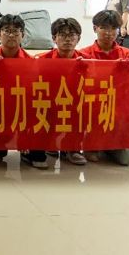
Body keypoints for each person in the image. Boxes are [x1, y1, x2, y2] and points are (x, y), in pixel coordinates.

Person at [79, 10, 129, 165]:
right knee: (92, 157)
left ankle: (109, 144)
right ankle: (92, 142)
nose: (109, 32)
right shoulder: (83, 54)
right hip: (91, 109)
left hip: (118, 110)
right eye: (104, 28)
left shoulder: (127, 55)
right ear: (95, 28)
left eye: (113, 28)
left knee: (127, 159)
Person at [0, 15, 42, 167]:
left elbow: (33, 93)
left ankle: (27, 141)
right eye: (7, 31)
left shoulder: (30, 61)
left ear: (23, 35)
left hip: (20, 107)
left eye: (16, 31)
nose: (11, 35)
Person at [36, 18, 89, 165]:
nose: (67, 39)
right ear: (54, 38)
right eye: (62, 35)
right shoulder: (41, 60)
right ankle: (49, 143)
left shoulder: (87, 61)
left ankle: (72, 149)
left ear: (78, 38)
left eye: (71, 35)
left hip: (75, 103)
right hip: (49, 102)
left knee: (83, 108)